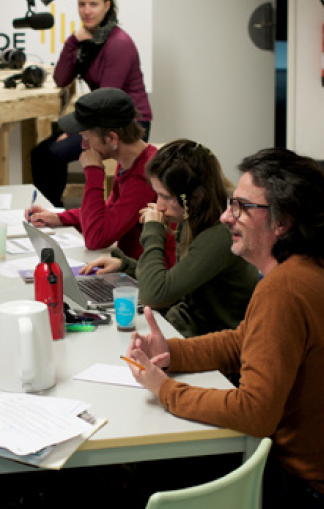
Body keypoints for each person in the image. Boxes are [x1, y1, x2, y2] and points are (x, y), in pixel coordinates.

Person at [126, 148, 324, 507]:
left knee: (145, 475)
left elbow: (254, 413)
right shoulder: (303, 269)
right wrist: (172, 353)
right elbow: (244, 341)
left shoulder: (284, 289)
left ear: (282, 223)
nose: (225, 217)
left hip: (298, 483)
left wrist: (166, 390)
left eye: (242, 208)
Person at [80, 140, 260, 337]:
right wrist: (126, 267)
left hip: (210, 345)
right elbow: (176, 282)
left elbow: (155, 295)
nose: (159, 206)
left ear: (195, 197)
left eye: (165, 196)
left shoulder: (219, 234)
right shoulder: (192, 214)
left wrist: (153, 230)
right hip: (186, 328)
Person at [31, 0, 152, 208]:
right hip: (101, 119)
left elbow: (108, 96)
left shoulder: (118, 43)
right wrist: (73, 42)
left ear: (107, 5)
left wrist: (78, 129)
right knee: (40, 153)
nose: (86, 10)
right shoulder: (86, 41)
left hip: (129, 123)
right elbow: (61, 79)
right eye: (82, 4)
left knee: (53, 154)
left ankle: (54, 212)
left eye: (93, 4)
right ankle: (48, 210)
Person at [26, 88, 174, 266]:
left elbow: (96, 238)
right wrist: (60, 217)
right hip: (132, 268)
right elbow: (107, 213)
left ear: (112, 139)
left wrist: (94, 171)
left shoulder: (144, 175)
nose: (83, 145)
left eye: (86, 138)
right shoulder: (130, 162)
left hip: (146, 280)